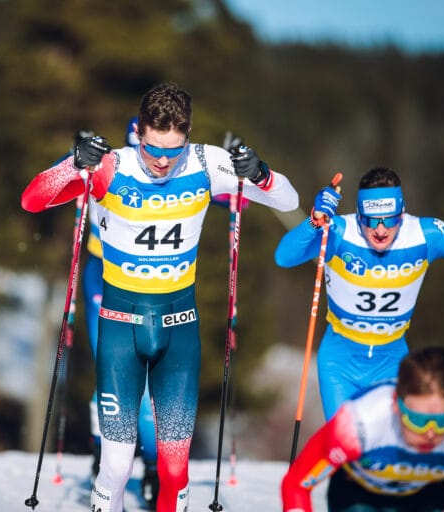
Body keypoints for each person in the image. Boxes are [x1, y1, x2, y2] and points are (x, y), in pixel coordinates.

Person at [21, 81, 299, 512]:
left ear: (187, 134)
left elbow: (288, 200)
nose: (164, 162)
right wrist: (73, 166)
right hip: (119, 327)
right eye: (154, 150)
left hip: (179, 330)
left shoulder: (208, 162)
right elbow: (33, 200)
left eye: (174, 150)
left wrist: (259, 172)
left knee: (174, 469)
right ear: (141, 132)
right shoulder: (113, 165)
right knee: (115, 467)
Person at [274, 167, 444, 420]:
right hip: (340, 363)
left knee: (390, 448)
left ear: (402, 212)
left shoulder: (426, 235)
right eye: (371, 220)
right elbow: (284, 257)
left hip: (392, 363)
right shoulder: (339, 232)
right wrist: (314, 221)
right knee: (347, 446)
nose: (381, 230)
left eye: (390, 219)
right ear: (359, 214)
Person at [280, 346, 444, 511]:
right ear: (396, 403)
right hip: (358, 495)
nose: (430, 432)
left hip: (425, 496)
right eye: (417, 420)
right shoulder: (359, 423)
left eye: (443, 420)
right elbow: (297, 485)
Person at [81, 118, 161, 507]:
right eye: (133, 151)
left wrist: (240, 169)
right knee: (109, 370)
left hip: (151, 284)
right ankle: (102, 459)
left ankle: (154, 468)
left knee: (150, 380)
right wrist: (78, 155)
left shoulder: (170, 170)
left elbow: (229, 196)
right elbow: (70, 173)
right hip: (103, 276)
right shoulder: (111, 163)